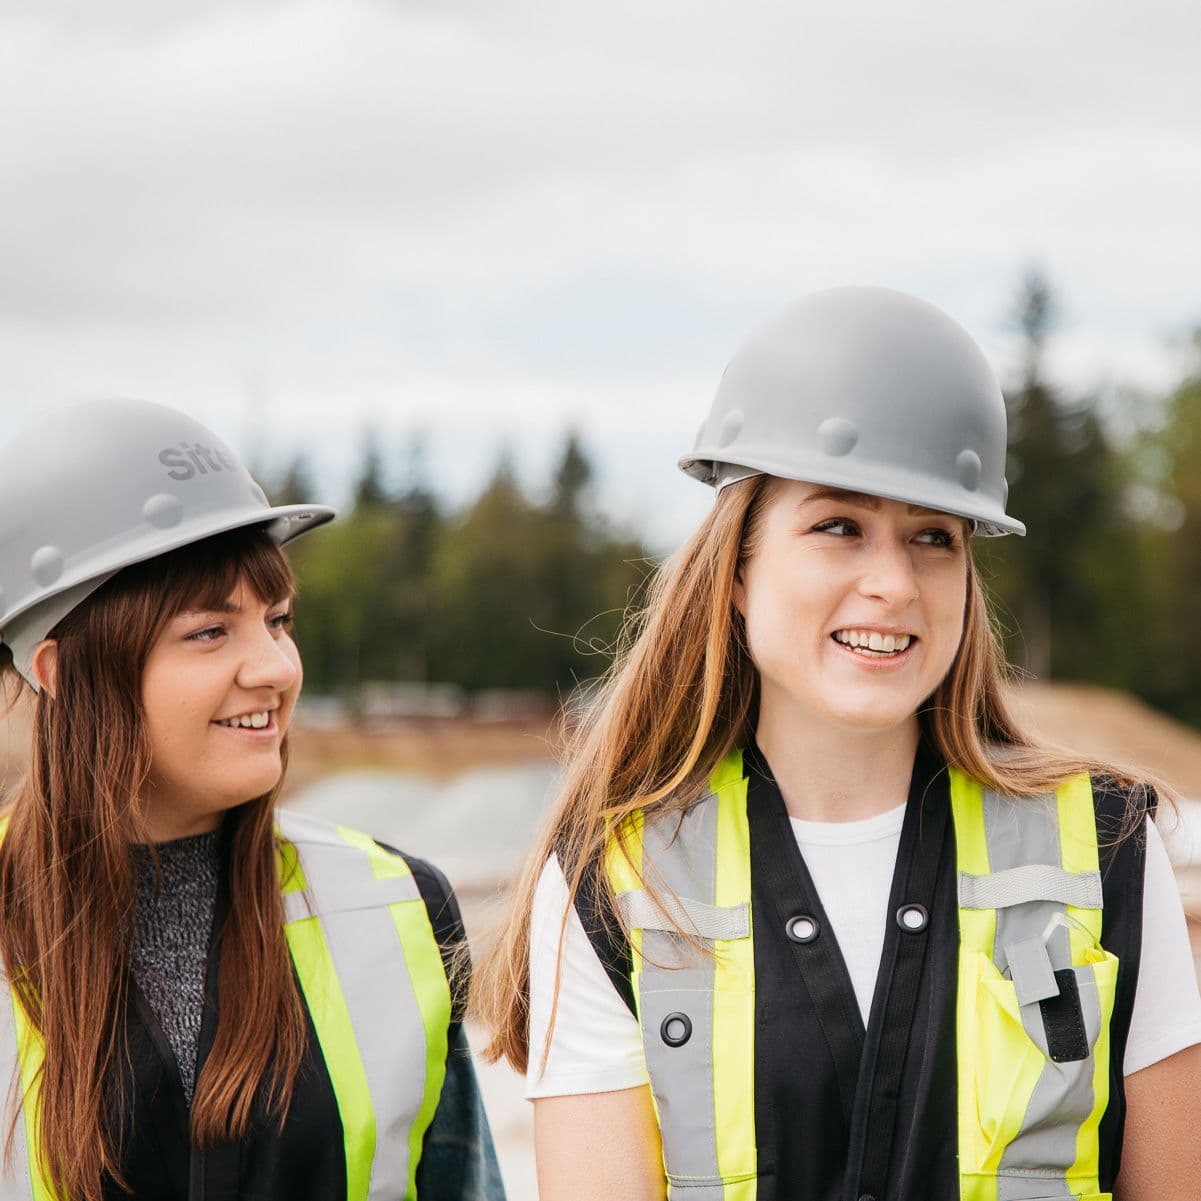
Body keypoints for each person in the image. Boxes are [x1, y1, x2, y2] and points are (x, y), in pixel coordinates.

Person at [476, 286, 1201, 1201]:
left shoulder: (1106, 852)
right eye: (837, 527)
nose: (892, 582)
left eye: (932, 537)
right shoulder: (616, 883)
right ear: (736, 569)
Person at [0, 399, 506, 1201]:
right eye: (210, 631)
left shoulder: (395, 909)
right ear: (59, 670)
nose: (274, 667)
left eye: (278, 620)